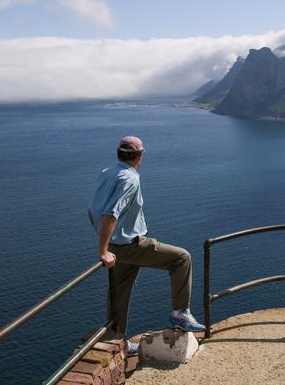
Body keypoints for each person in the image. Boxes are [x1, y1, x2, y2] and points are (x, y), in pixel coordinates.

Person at [88, 135, 205, 354]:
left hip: (116, 246)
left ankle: (115, 339)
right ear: (139, 156)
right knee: (181, 258)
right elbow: (109, 215)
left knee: (119, 291)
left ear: (119, 154)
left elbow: (93, 209)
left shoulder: (107, 173)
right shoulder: (131, 179)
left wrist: (106, 244)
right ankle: (179, 314)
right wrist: (102, 251)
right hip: (129, 245)